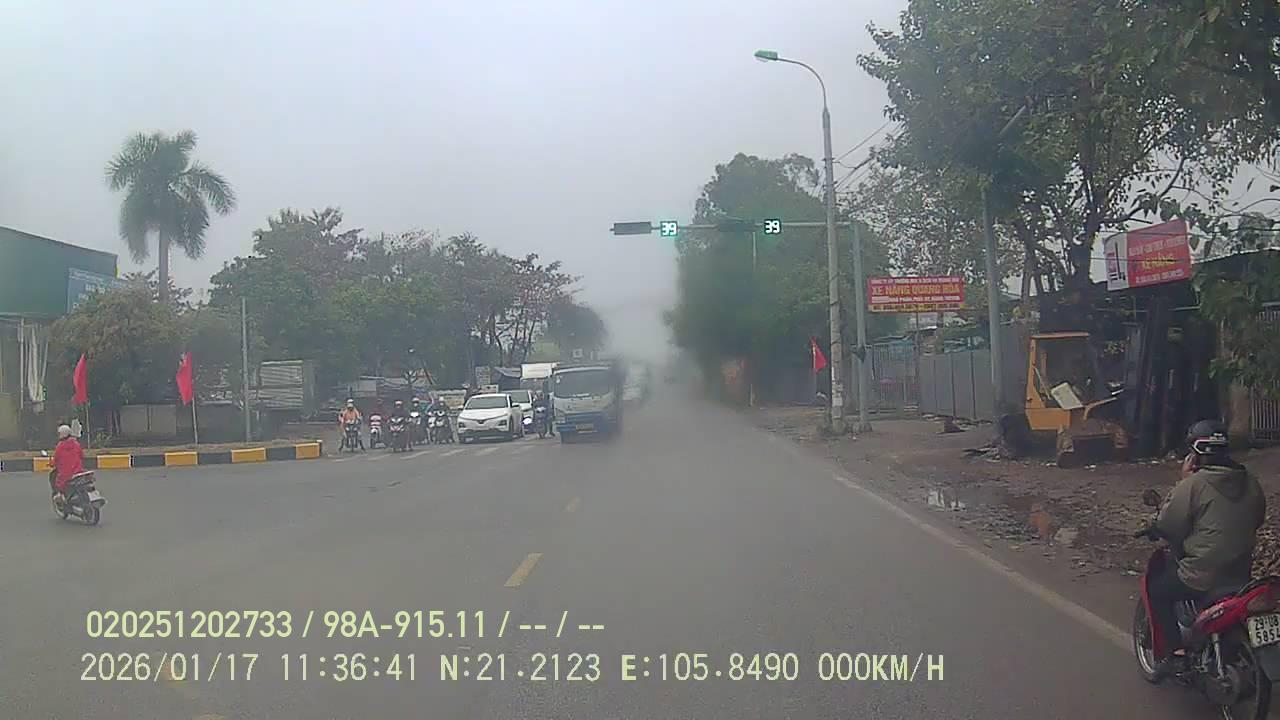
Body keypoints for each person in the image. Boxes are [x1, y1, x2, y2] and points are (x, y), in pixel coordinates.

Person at [1149, 419, 1265, 675]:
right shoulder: (1251, 481)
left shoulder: (1193, 484)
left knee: (1158, 591)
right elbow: (1257, 519)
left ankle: (1176, 654)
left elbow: (1169, 524)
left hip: (1203, 575)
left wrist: (1183, 480)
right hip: (1240, 572)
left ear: (1195, 453)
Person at [51, 424, 85, 502]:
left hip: (66, 474)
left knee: (57, 480)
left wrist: (52, 464)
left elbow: (56, 459)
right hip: (78, 472)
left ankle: (60, 494)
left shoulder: (60, 446)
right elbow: (81, 455)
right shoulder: (76, 444)